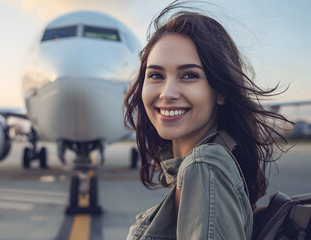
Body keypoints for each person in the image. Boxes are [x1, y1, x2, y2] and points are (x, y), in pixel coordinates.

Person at [124, 1, 292, 239]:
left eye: (189, 75)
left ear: (220, 91)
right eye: (155, 75)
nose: (167, 93)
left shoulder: (204, 167)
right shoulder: (203, 165)